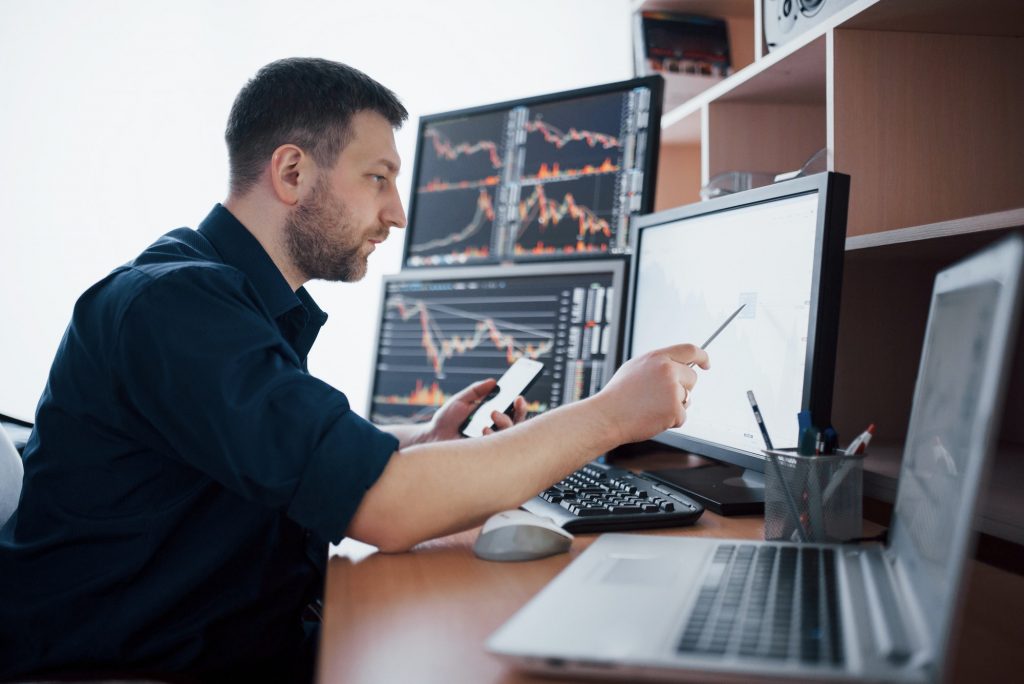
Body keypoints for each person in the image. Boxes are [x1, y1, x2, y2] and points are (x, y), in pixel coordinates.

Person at [0, 58, 709, 682]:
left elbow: (279, 460)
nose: (397, 213)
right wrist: (615, 413)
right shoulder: (176, 307)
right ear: (291, 172)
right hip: (123, 668)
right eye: (378, 179)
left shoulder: (231, 301)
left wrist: (415, 443)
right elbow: (386, 511)